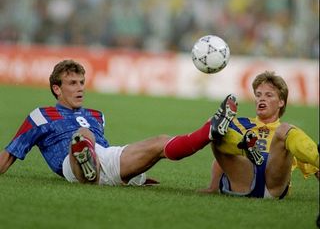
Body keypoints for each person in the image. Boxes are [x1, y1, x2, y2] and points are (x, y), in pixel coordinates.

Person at [0, 59, 241, 186]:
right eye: (72, 83)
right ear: (56, 89)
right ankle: (86, 164)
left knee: (159, 143)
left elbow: (109, 155)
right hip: (70, 164)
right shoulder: (40, 115)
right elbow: (10, 154)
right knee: (83, 135)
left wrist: (137, 175)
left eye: (82, 82)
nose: (80, 88)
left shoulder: (97, 114)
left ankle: (209, 132)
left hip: (104, 160)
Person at [200, 71, 319, 199]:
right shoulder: (239, 124)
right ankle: (248, 150)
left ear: (281, 102)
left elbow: (315, 169)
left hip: (273, 187)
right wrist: (213, 187)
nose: (262, 98)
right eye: (258, 95)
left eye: (269, 95)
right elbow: (223, 158)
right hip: (242, 181)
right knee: (220, 127)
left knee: (284, 131)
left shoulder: (288, 134)